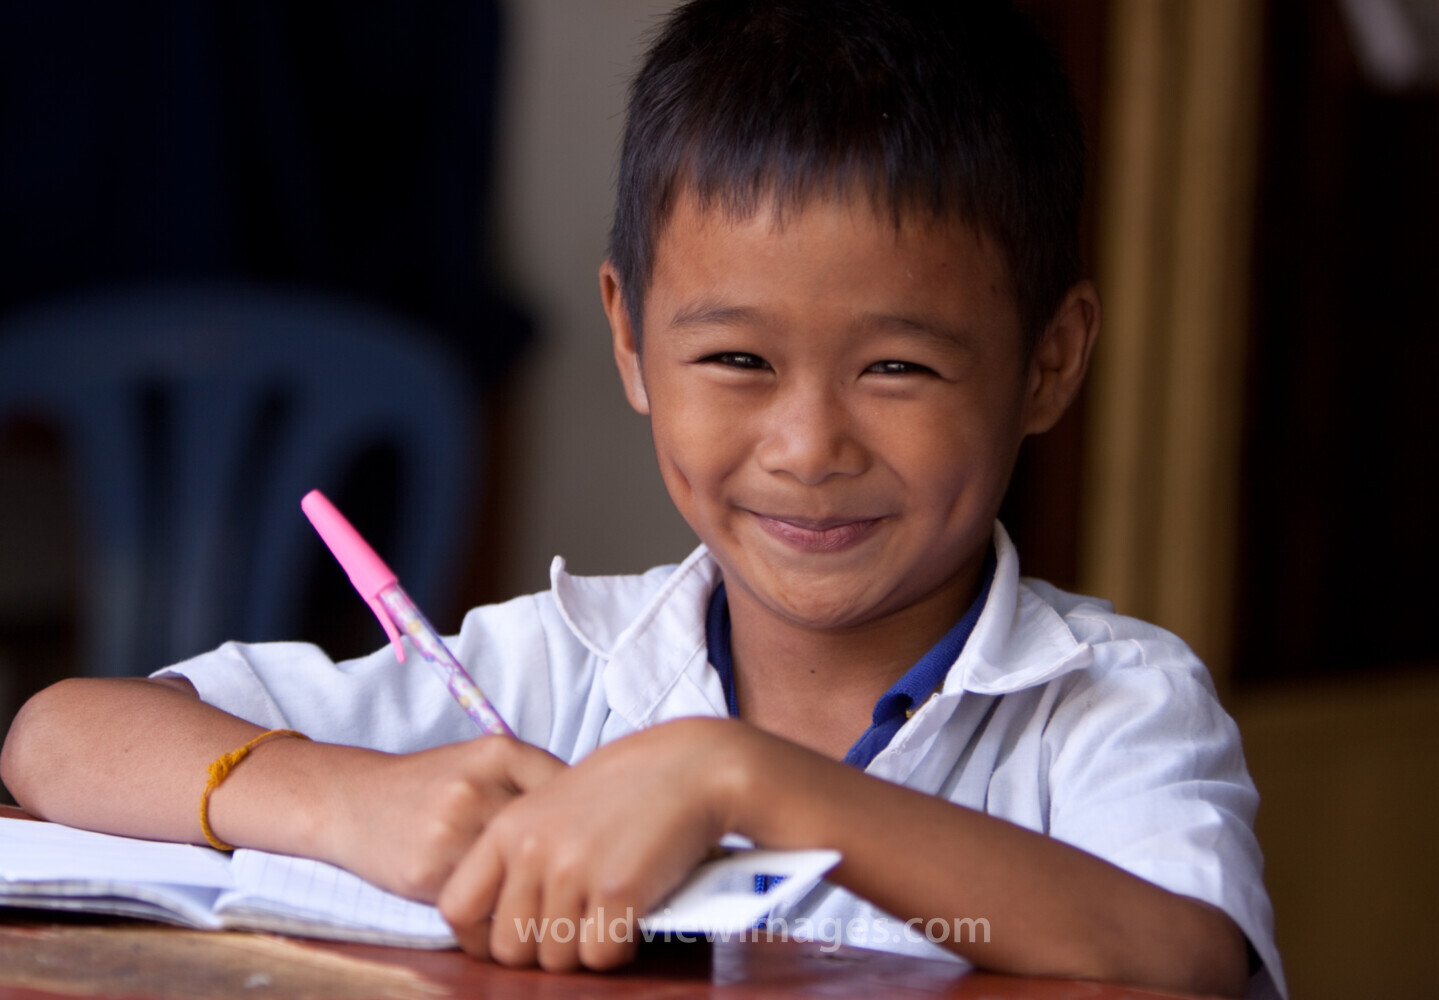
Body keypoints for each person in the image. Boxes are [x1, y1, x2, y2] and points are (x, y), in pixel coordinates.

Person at [0, 2, 1285, 997]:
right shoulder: (552, 669)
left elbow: (1179, 956)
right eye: (736, 360)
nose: (806, 444)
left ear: (1048, 361)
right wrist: (345, 800)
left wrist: (740, 778)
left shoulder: (1109, 706)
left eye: (898, 367)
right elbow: (53, 743)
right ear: (629, 341)